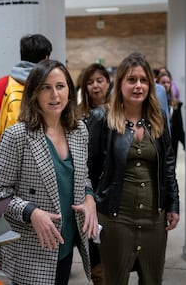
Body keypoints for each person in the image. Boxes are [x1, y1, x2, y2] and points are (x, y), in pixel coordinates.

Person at [0, 59, 98, 285]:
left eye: (60, 86)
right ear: (34, 93)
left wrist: (89, 199)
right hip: (31, 248)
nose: (54, 95)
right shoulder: (17, 136)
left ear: (70, 90)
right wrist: (31, 212)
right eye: (45, 88)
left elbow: (83, 177)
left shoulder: (79, 131)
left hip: (65, 242)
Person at [86, 52, 180, 284]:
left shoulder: (157, 118)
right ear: (120, 84)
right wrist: (90, 205)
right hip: (115, 218)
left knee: (151, 278)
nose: (138, 86)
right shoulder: (101, 118)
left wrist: (173, 204)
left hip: (153, 217)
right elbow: (88, 169)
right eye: (131, 80)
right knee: (114, 279)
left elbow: (168, 164)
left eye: (143, 80)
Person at [77, 62, 112, 285]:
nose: (95, 86)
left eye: (99, 81)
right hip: (87, 185)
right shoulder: (79, 115)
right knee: (93, 241)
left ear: (108, 83)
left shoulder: (118, 112)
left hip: (109, 185)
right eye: (90, 82)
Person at [0, 34, 52, 148]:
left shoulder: (3, 84)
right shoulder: (52, 86)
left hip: (9, 152)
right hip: (44, 151)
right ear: (46, 58)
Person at [156, 71, 185, 163]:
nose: (166, 85)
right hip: (157, 141)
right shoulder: (153, 103)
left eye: (168, 82)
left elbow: (179, 126)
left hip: (172, 142)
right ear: (158, 84)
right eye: (163, 82)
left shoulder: (175, 103)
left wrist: (185, 142)